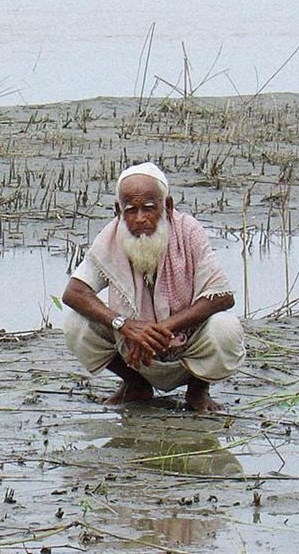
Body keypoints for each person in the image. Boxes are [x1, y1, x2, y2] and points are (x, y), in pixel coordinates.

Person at [62, 162, 245, 412]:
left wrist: (159, 330)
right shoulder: (112, 236)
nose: (140, 219)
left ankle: (198, 391)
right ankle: (135, 385)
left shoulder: (188, 230)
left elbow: (221, 297)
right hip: (134, 353)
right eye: (130, 210)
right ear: (118, 210)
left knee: (225, 328)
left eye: (149, 208)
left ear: (167, 206)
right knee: (76, 324)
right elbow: (74, 292)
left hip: (187, 345)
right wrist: (124, 325)